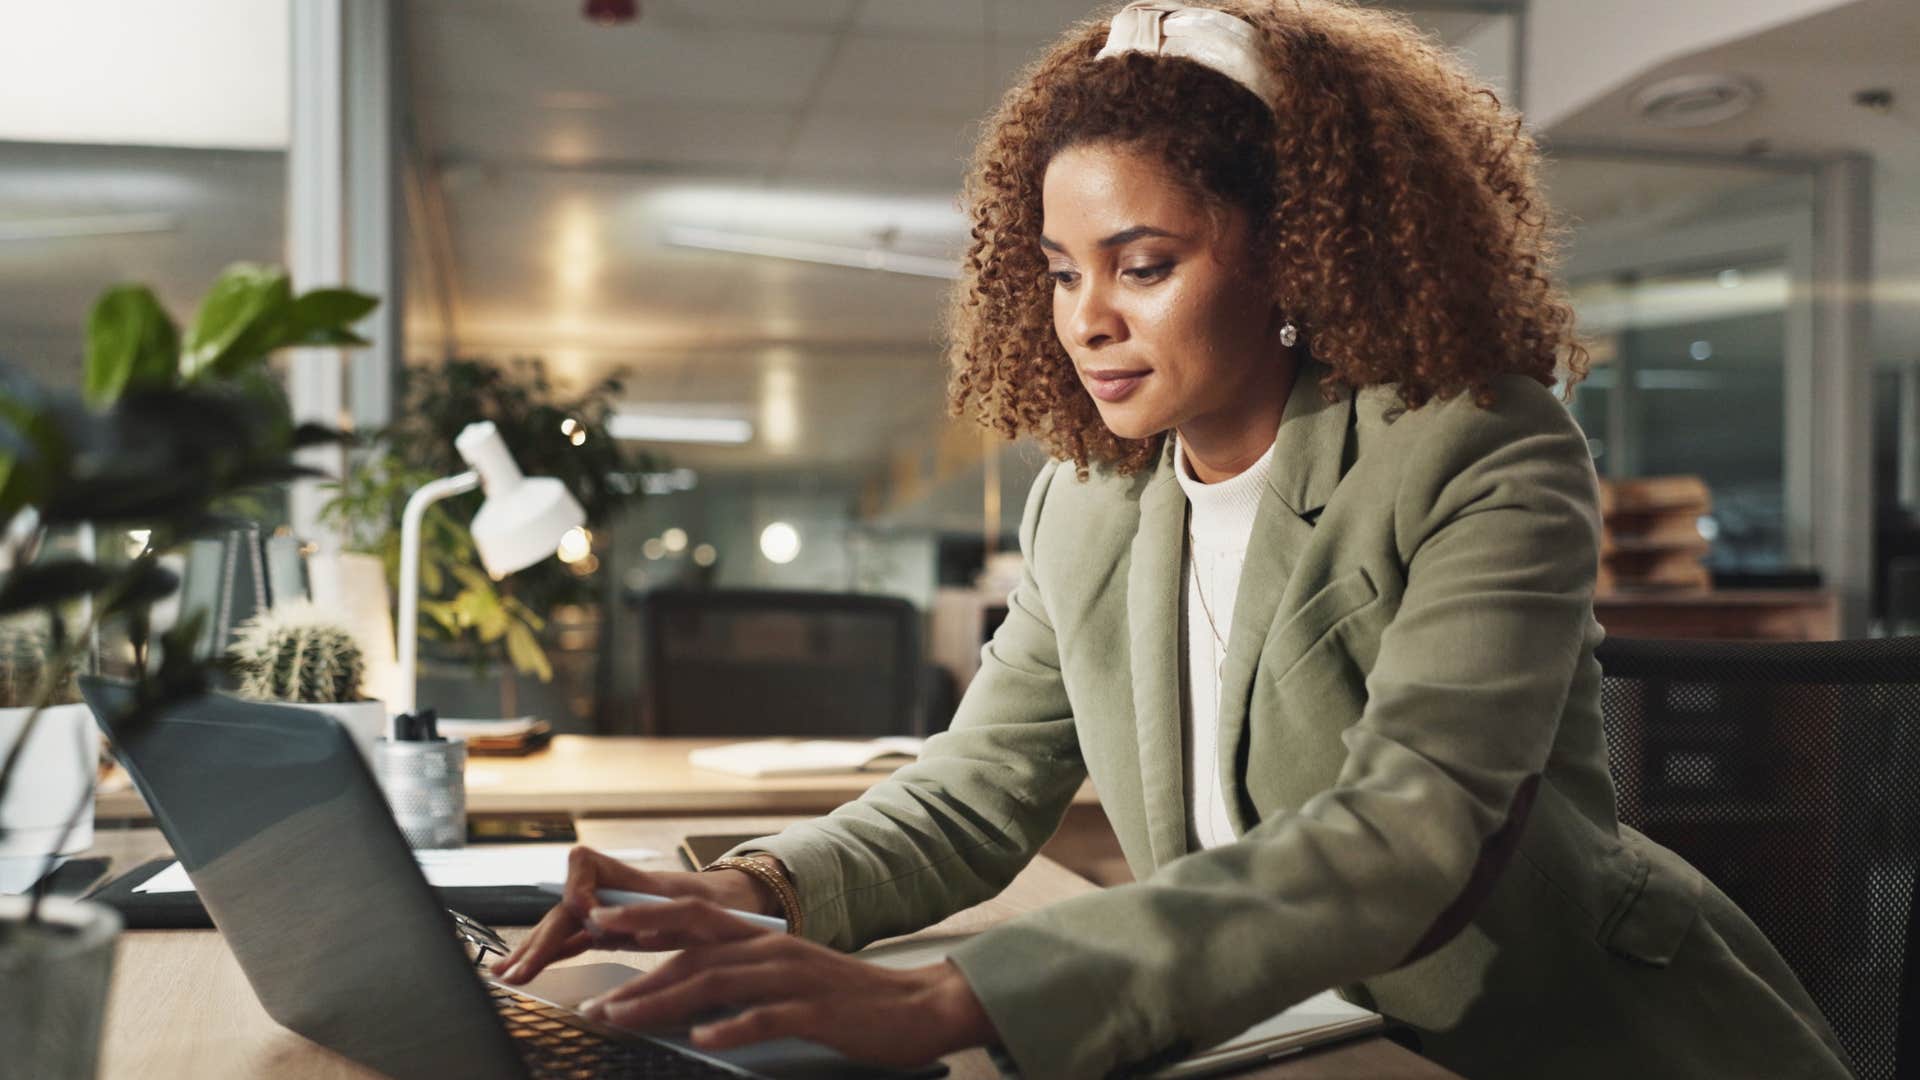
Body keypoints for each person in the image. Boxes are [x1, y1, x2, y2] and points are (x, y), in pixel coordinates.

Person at [497, 3, 1854, 1077]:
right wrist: (758, 892)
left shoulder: (1481, 448)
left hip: (1550, 1037)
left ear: (1292, 255)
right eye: (1063, 270)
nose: (1087, 317)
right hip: (1277, 1029)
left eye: (1143, 264)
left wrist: (952, 1001)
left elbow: (1406, 832)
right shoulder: (1086, 499)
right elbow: (976, 792)